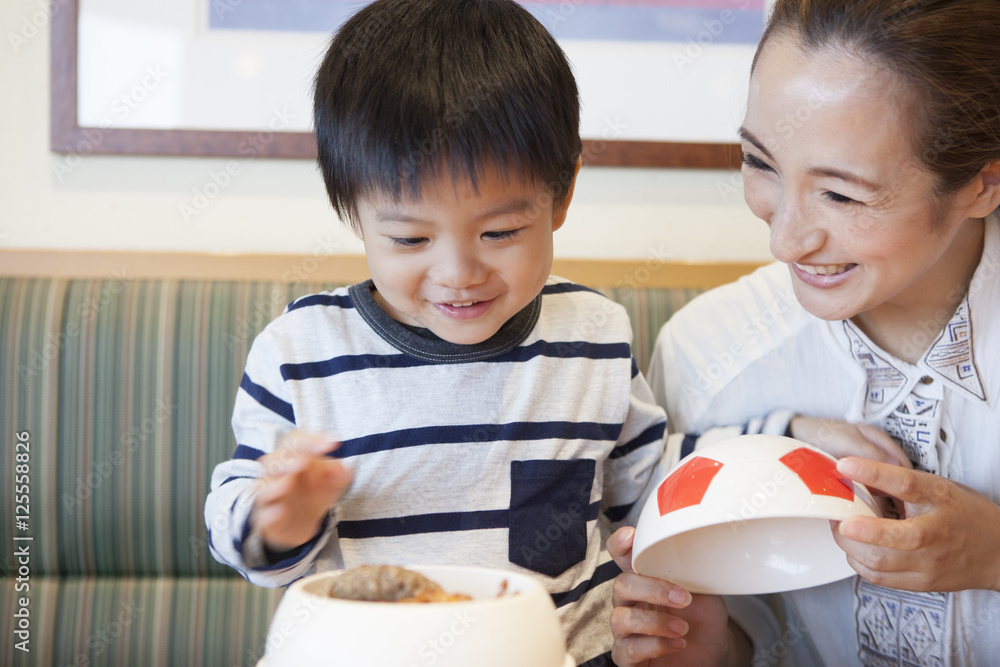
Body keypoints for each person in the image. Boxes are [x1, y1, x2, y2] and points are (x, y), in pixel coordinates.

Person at [204, 0, 680, 662]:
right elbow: (243, 533)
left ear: (563, 193)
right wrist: (279, 514)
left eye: (500, 232)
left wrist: (771, 448)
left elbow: (658, 488)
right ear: (353, 211)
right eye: (410, 237)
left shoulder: (594, 334)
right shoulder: (302, 351)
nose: (458, 272)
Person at [606, 0, 1000, 665]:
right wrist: (706, 646)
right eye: (761, 163)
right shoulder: (708, 355)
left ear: (985, 180)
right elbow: (746, 635)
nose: (785, 238)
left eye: (841, 195)